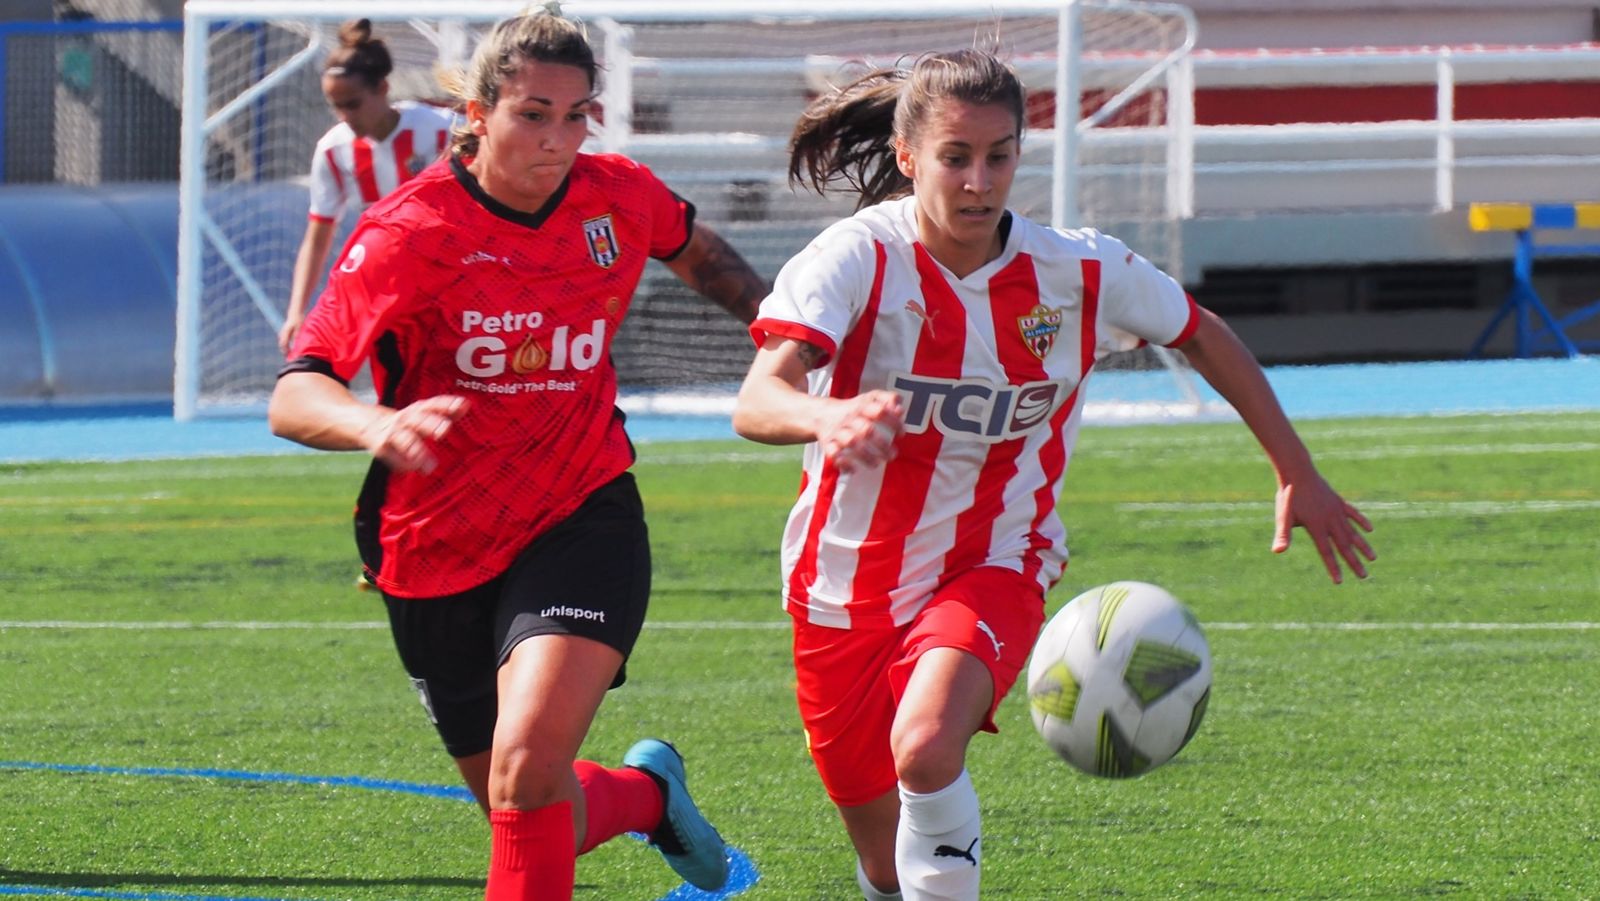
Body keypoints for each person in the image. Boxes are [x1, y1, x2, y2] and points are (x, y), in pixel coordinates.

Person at [732, 49, 1376, 901]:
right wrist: (829, 415)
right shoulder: (856, 260)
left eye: (999, 155)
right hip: (841, 583)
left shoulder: (1077, 270)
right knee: (885, 862)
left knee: (924, 745)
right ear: (907, 155)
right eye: (956, 157)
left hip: (996, 559)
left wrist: (1296, 467)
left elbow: (1202, 331)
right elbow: (757, 398)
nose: (978, 180)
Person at [268, 11, 767, 900]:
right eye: (535, 113)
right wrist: (375, 426)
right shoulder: (408, 232)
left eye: (577, 115)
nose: (558, 138)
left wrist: (786, 338)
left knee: (528, 767)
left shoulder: (617, 194)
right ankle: (649, 798)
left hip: (581, 513)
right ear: (478, 111)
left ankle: (635, 797)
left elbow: (700, 253)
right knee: (534, 809)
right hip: (430, 548)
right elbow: (295, 391)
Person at [278, 18, 458, 355]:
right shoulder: (333, 150)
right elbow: (318, 236)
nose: (344, 115)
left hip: (449, 275)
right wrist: (296, 311)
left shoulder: (439, 129)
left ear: (382, 89)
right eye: (336, 106)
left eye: (352, 104)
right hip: (386, 283)